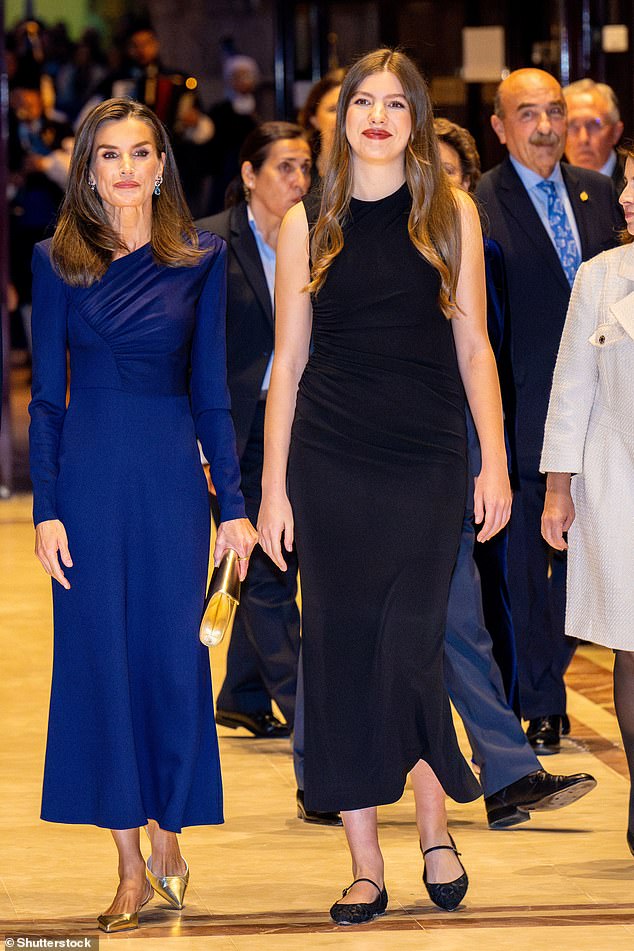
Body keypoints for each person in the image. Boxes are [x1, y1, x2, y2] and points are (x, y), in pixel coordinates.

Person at [259, 48, 511, 925]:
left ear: (414, 118)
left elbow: (475, 347)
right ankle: (365, 860)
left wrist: (497, 459)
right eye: (361, 102)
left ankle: (435, 827)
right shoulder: (307, 221)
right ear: (342, 119)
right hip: (330, 461)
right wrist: (272, 493)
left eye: (393, 104)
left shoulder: (452, 213)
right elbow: (286, 365)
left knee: (412, 646)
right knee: (339, 653)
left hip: (429, 455)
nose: (375, 116)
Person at [28, 98, 257, 934]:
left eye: (140, 154)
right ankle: (127, 867)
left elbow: (211, 397)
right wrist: (46, 510)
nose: (125, 169)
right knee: (99, 666)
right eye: (109, 156)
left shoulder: (202, 258)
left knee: (168, 662)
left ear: (163, 167)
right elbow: (47, 401)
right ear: (88, 171)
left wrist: (233, 508)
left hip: (167, 482)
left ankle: (171, 831)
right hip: (87, 484)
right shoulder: (53, 263)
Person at [432, 117, 596, 828]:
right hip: (371, 449)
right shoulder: (350, 240)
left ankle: (506, 772)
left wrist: (490, 459)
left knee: (457, 616)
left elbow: (482, 357)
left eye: (452, 177)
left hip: (457, 445)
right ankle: (323, 770)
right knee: (378, 620)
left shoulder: (475, 248)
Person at [475, 68, 622, 754]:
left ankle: (544, 683)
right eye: (526, 113)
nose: (545, 125)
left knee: (589, 574)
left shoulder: (597, 195)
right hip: (522, 412)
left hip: (608, 426)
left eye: (554, 111)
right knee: (526, 575)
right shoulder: (481, 205)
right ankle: (538, 700)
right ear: (500, 128)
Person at [196, 122, 312, 740]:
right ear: (249, 175)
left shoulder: (317, 240)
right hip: (233, 429)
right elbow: (189, 349)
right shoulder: (210, 244)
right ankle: (307, 719)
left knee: (275, 557)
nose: (299, 180)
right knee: (265, 569)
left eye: (305, 168)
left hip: (299, 425)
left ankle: (241, 692)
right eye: (285, 167)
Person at [541, 148, 634, 858]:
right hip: (618, 482)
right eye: (627, 183)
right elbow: (571, 384)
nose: (625, 197)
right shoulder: (602, 276)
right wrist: (557, 487)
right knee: (632, 647)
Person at [563, 79, 625, 188]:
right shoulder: (551, 186)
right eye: (572, 126)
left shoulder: (629, 185)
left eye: (594, 125)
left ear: (616, 132)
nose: (583, 139)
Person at [298, 68, 346, 183]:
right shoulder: (298, 170)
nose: (341, 117)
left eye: (348, 108)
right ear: (313, 119)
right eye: (333, 109)